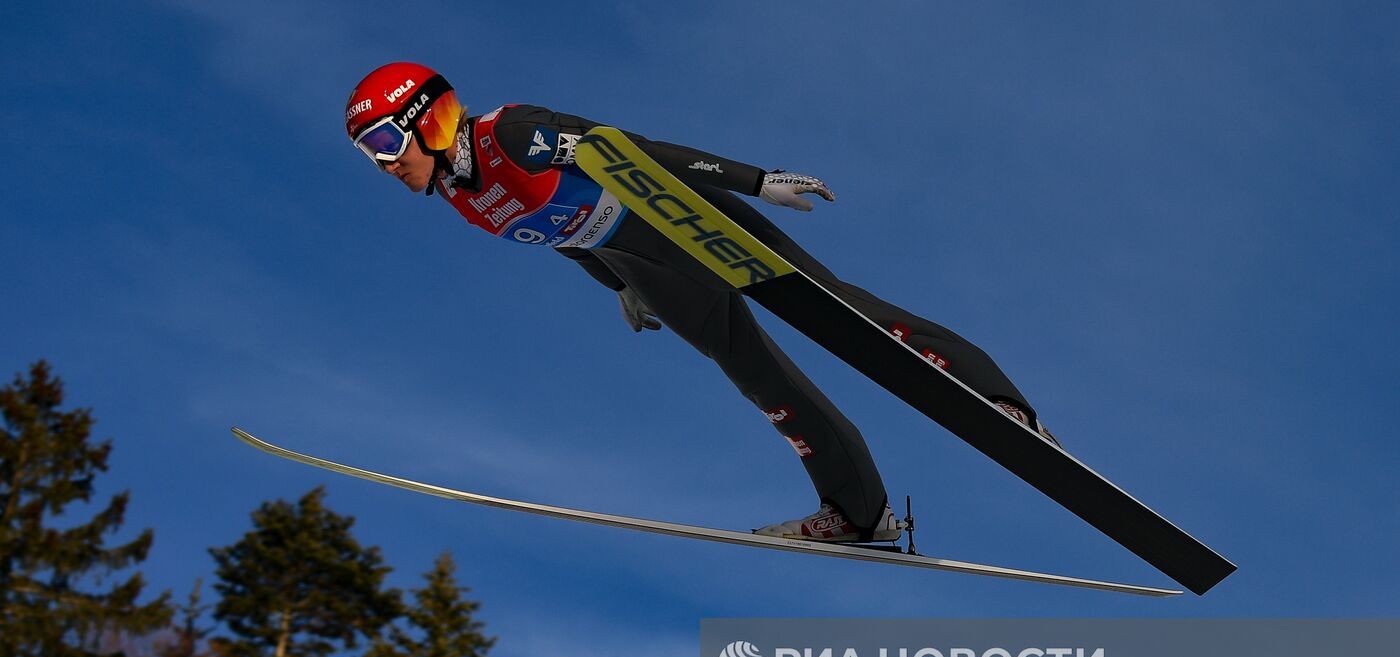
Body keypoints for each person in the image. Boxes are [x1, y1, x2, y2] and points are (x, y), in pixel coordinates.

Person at [344, 62, 1057, 542]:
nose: (382, 163)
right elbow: (560, 234)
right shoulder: (462, 198)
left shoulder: (512, 135)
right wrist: (617, 284)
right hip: (641, 263)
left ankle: (999, 405)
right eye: (366, 154)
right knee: (760, 380)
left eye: (383, 141)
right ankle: (858, 514)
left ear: (426, 119)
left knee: (836, 312)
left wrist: (754, 180)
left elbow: (636, 152)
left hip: (678, 220)